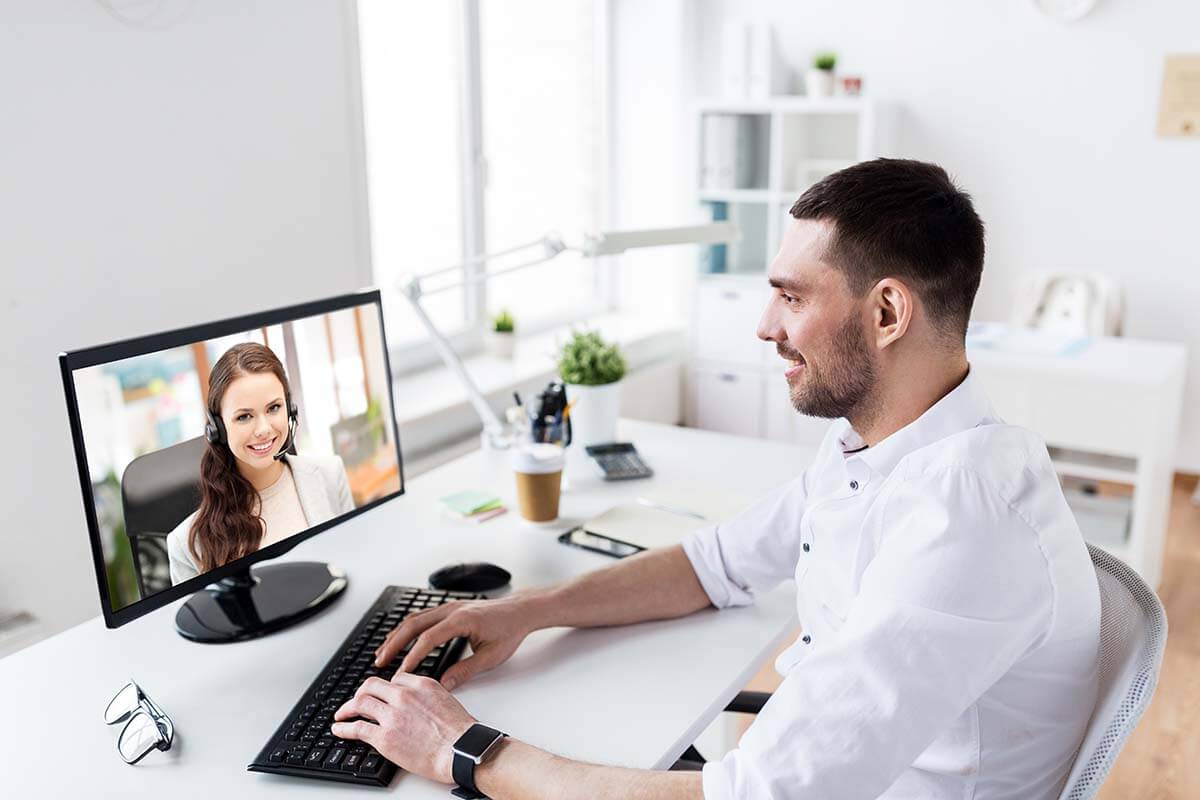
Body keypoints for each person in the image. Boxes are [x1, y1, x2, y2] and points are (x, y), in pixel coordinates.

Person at [330, 159, 1102, 799]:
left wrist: (465, 751)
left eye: (792, 296)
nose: (765, 326)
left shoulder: (964, 519)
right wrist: (529, 611)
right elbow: (715, 563)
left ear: (887, 313)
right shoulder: (878, 446)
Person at [167, 342, 354, 584]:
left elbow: (355, 569)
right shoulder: (186, 545)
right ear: (218, 428)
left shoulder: (330, 475)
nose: (264, 429)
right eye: (244, 416)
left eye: (274, 408)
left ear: (290, 410)